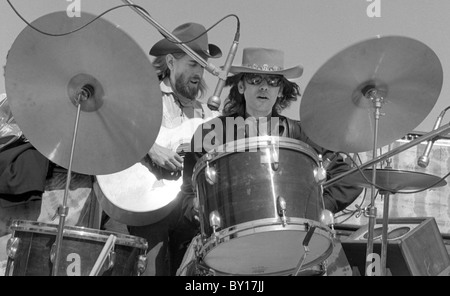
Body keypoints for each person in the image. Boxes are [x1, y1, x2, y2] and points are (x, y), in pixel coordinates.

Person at [178, 47, 363, 275]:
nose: (264, 87)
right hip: (228, 253)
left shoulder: (300, 133)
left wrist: (318, 206)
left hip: (292, 252)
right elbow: (187, 195)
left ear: (281, 90)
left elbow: (351, 179)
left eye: (273, 81)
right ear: (241, 86)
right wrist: (197, 210)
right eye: (256, 79)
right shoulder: (210, 133)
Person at [125, 22, 223, 276]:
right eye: (192, 63)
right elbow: (112, 129)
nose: (199, 72)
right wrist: (150, 147)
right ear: (170, 62)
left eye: (202, 66)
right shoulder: (141, 97)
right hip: (146, 203)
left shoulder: (211, 115)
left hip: (191, 212)